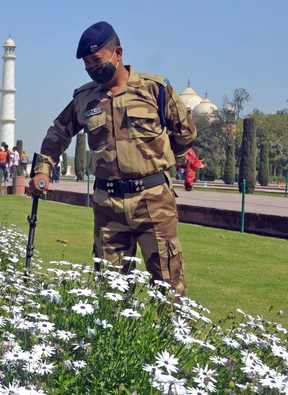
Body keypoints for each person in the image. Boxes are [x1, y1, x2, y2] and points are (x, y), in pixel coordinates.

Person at [30, 21, 197, 297]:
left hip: (153, 201)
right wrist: (44, 169)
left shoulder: (155, 89)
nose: (92, 68)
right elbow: (59, 132)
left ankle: (174, 339)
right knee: (109, 291)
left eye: (96, 60)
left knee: (169, 287)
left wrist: (164, 160)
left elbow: (185, 133)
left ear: (117, 53)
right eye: (87, 63)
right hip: (107, 207)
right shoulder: (85, 99)